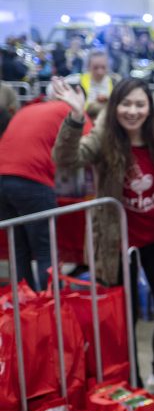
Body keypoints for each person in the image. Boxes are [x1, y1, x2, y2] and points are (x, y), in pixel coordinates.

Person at [50, 78, 154, 399]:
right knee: (124, 319)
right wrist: (74, 115)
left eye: (140, 104)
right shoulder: (103, 135)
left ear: (150, 107)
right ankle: (133, 384)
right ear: (114, 106)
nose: (132, 111)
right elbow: (66, 159)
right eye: (126, 104)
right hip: (114, 242)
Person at [0, 81, 92, 291]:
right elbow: (92, 146)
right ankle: (52, 308)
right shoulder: (72, 111)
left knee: (19, 249)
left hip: (2, 178)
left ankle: (27, 306)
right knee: (45, 251)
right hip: (32, 180)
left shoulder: (30, 108)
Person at [80, 50, 120, 120]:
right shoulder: (78, 81)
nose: (100, 72)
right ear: (88, 67)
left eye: (103, 67)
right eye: (95, 68)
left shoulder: (115, 82)